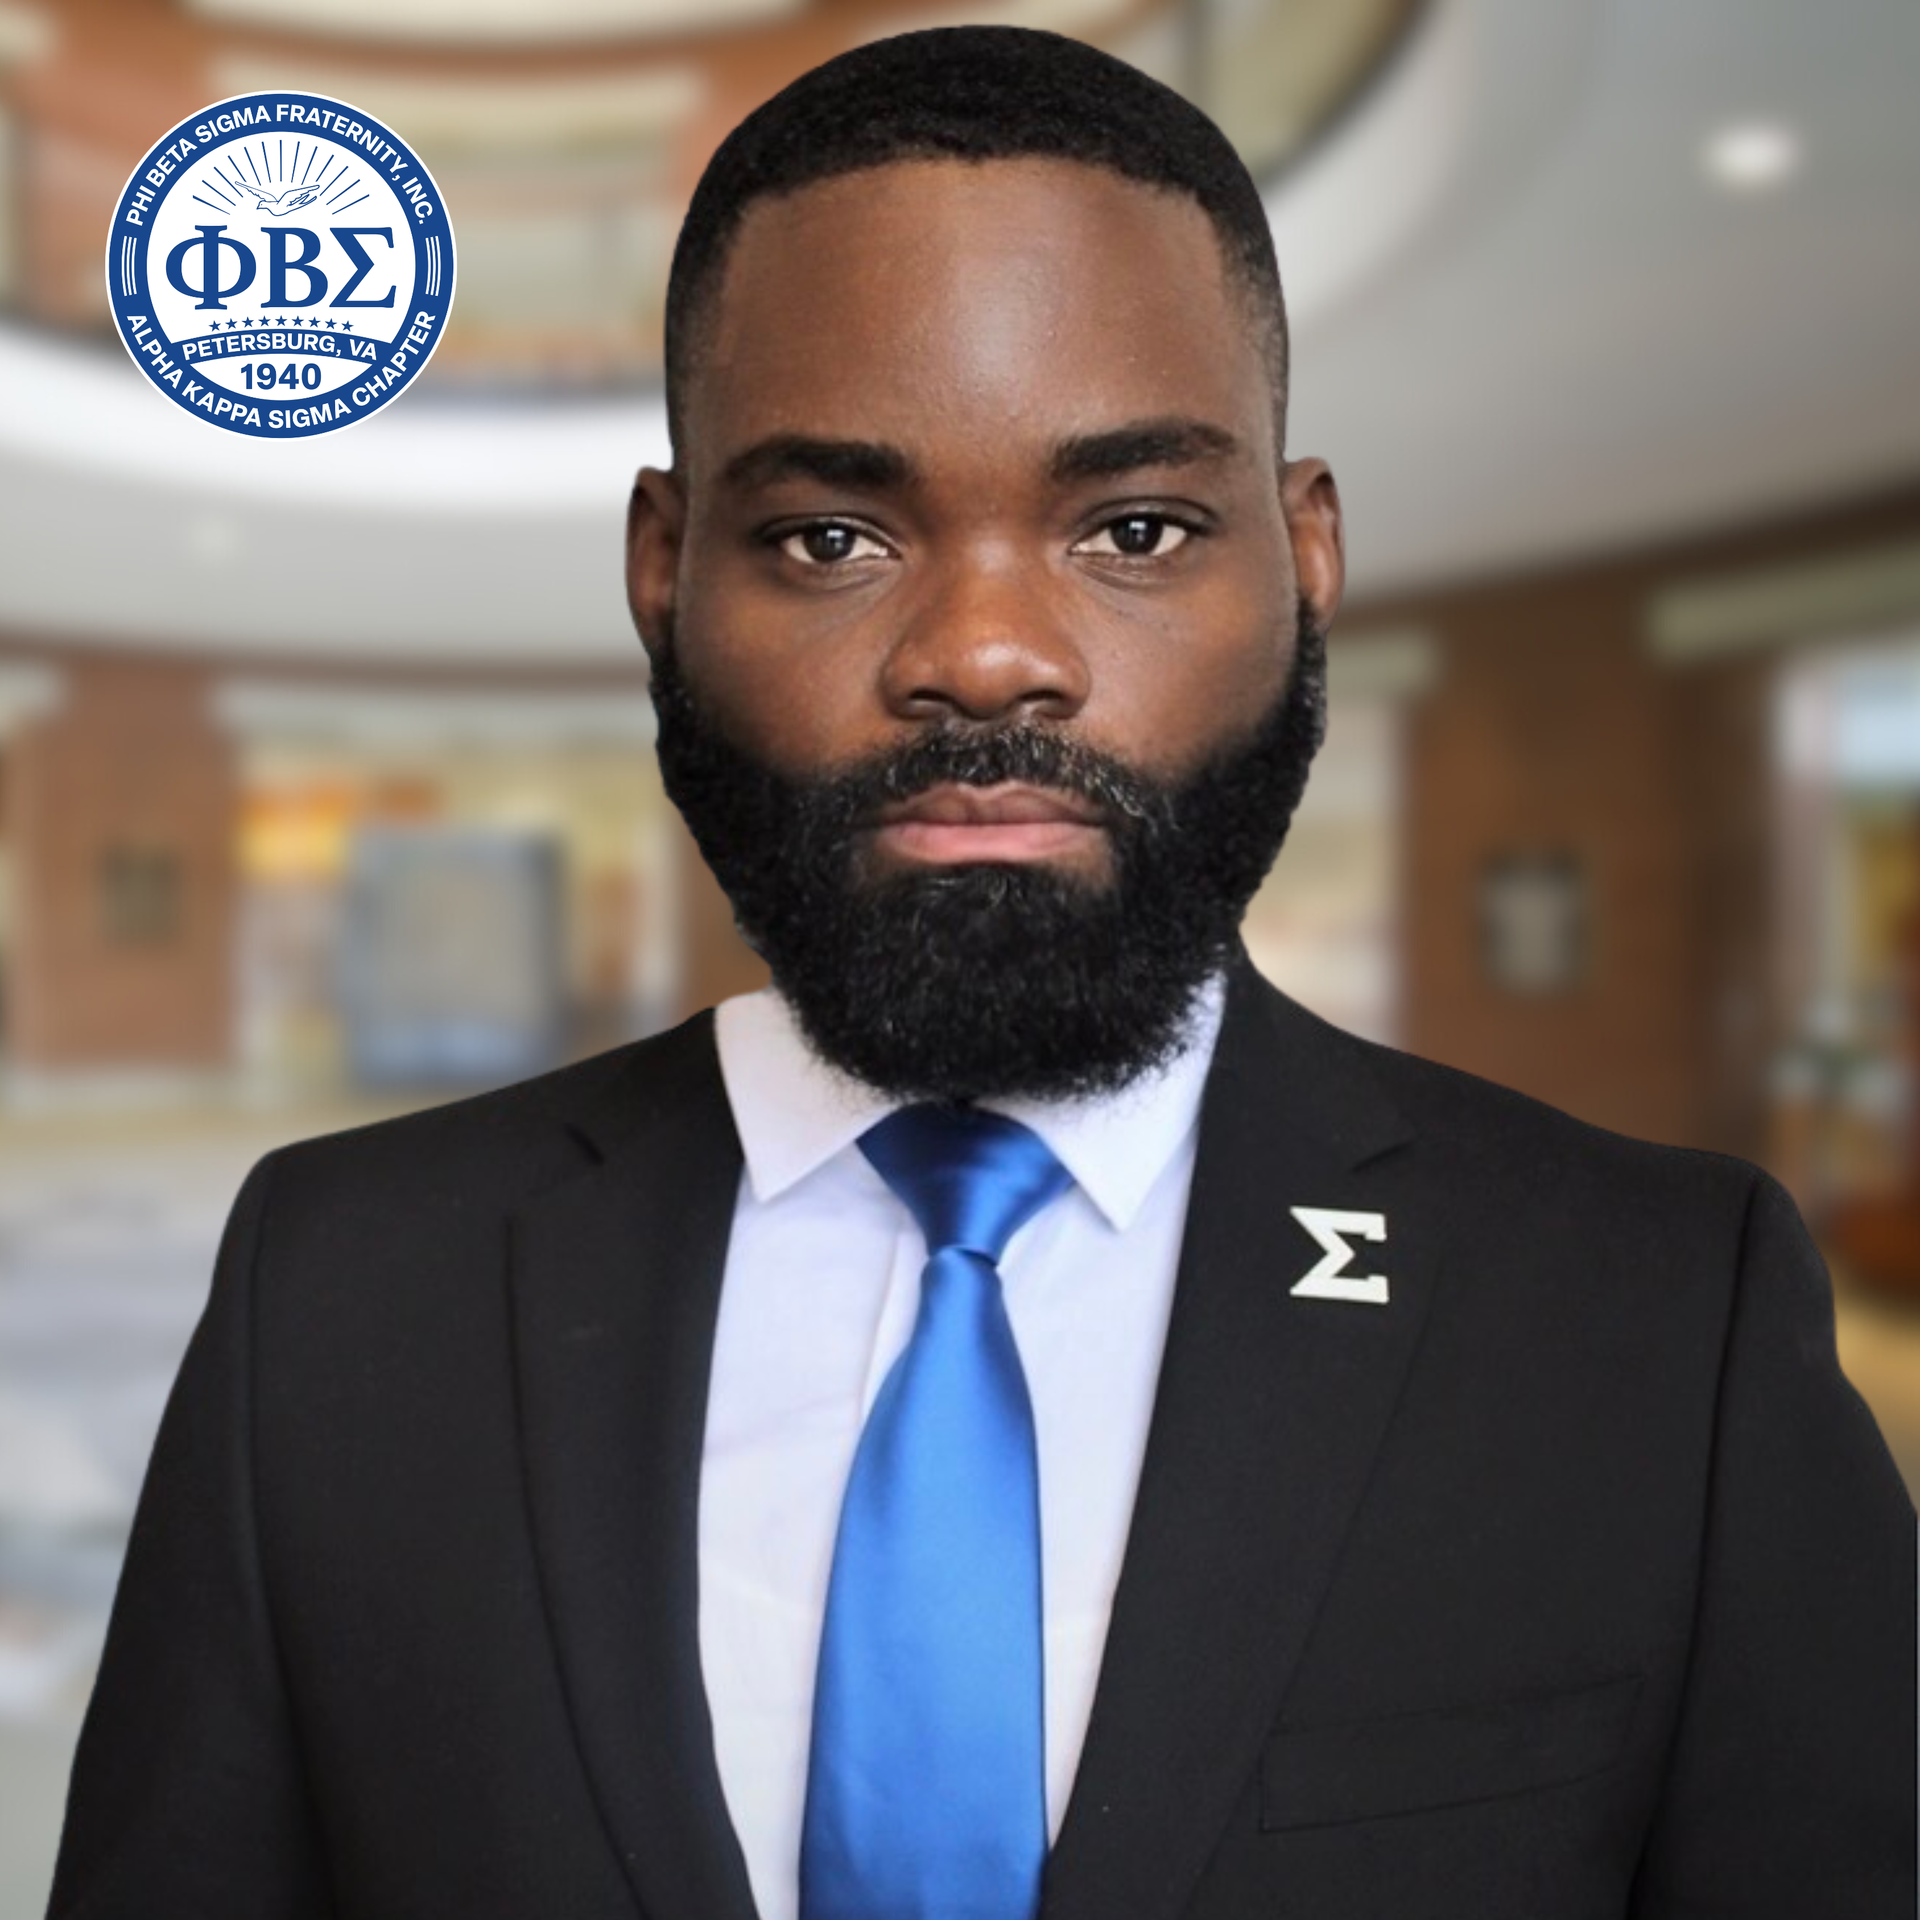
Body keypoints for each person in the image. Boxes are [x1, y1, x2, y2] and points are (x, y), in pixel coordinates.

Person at [49, 26, 1915, 1920]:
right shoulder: (343, 1293)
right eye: (832, 536)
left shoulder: (1662, 1323)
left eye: (1135, 528)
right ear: (667, 574)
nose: (989, 654)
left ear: (1307, 558)